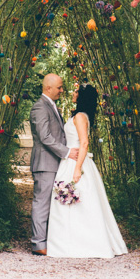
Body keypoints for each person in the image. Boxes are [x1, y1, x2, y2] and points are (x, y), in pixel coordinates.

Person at [47, 84, 128, 258]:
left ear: (83, 97)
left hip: (77, 163)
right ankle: (66, 243)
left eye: (77, 92)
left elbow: (84, 143)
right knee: (67, 202)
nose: (73, 93)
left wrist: (77, 169)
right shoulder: (78, 115)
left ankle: (86, 243)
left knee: (81, 202)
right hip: (68, 160)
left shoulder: (81, 117)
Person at [29, 74, 79, 256]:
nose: (62, 90)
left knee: (50, 203)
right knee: (41, 202)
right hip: (45, 163)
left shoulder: (51, 106)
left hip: (54, 162)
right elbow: (45, 137)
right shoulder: (39, 107)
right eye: (59, 87)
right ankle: (38, 244)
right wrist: (66, 152)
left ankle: (48, 240)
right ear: (48, 88)